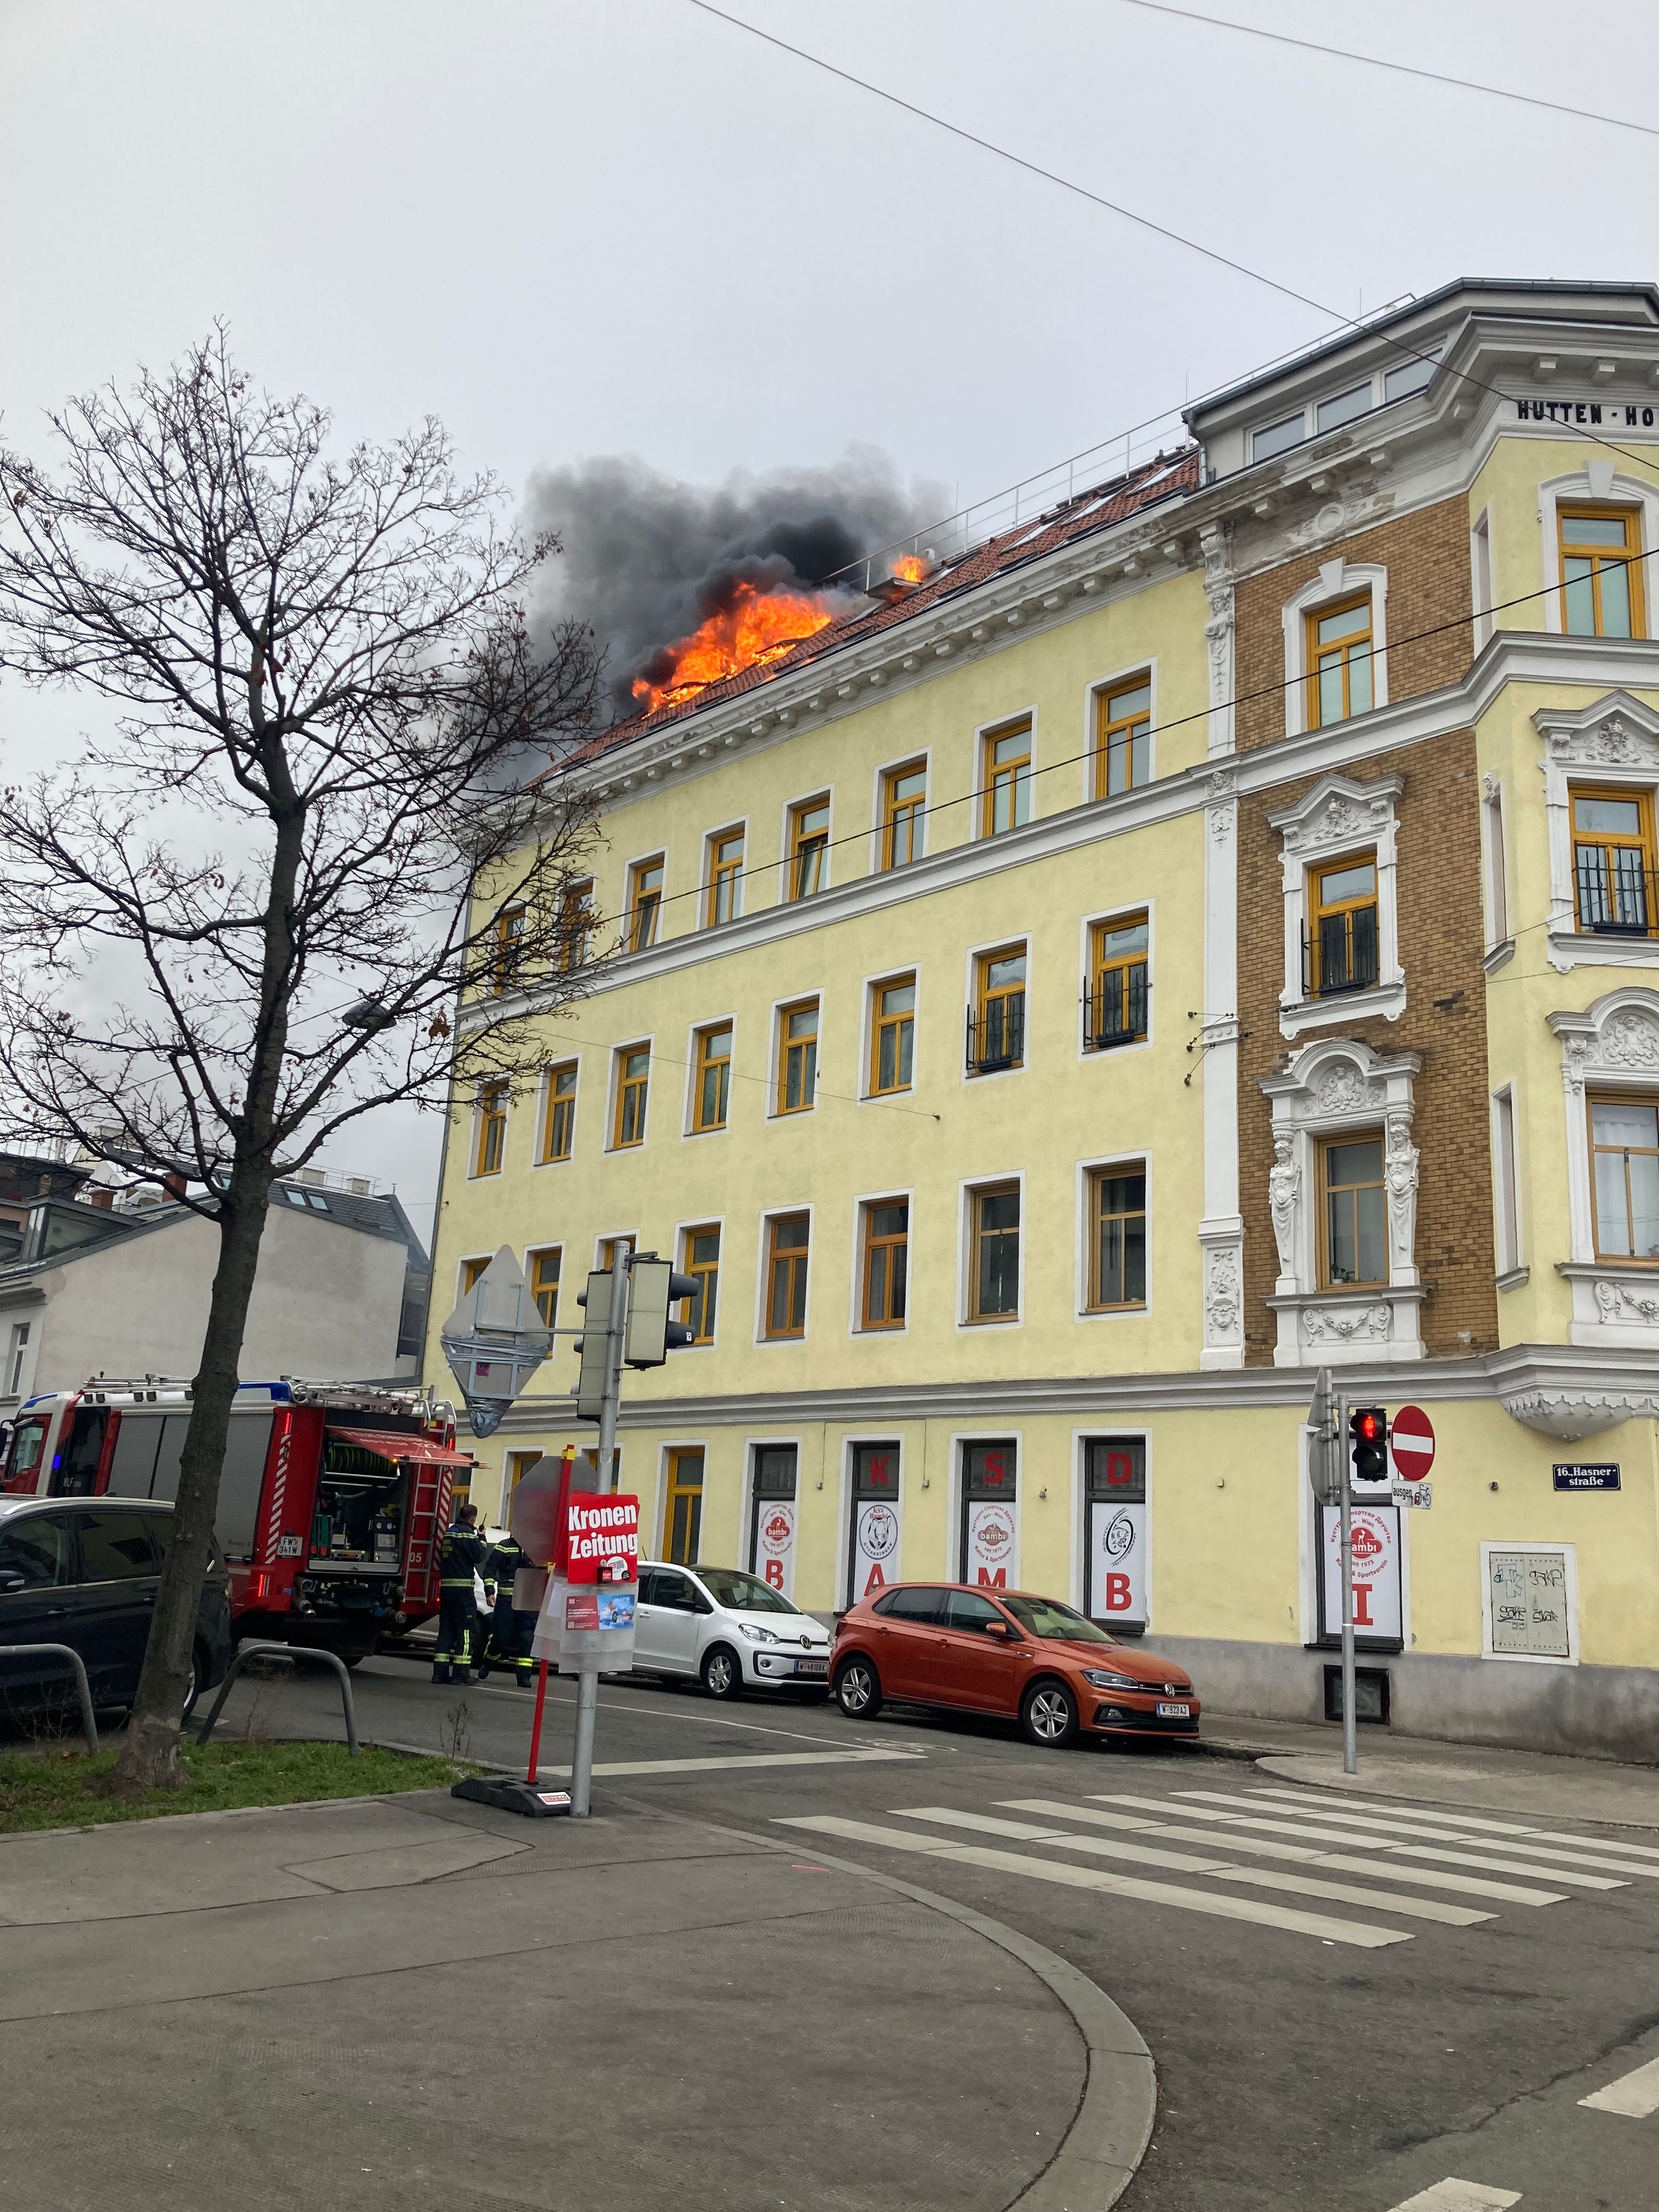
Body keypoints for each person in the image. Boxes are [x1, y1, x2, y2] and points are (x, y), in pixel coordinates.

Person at [432, 1500, 488, 1685]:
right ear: (472, 1518)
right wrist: (481, 1539)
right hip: (463, 1592)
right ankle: (461, 1675)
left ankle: (439, 1674)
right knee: (466, 1632)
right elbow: (479, 1556)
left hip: (447, 1590)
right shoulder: (467, 1535)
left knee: (446, 1631)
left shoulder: (449, 1533)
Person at [477, 1525, 537, 1687]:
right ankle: (488, 1663)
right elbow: (489, 1571)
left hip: (528, 1602)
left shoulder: (537, 1550)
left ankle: (524, 1677)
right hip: (506, 1601)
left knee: (527, 1639)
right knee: (500, 1638)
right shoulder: (504, 1546)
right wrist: (490, 1592)